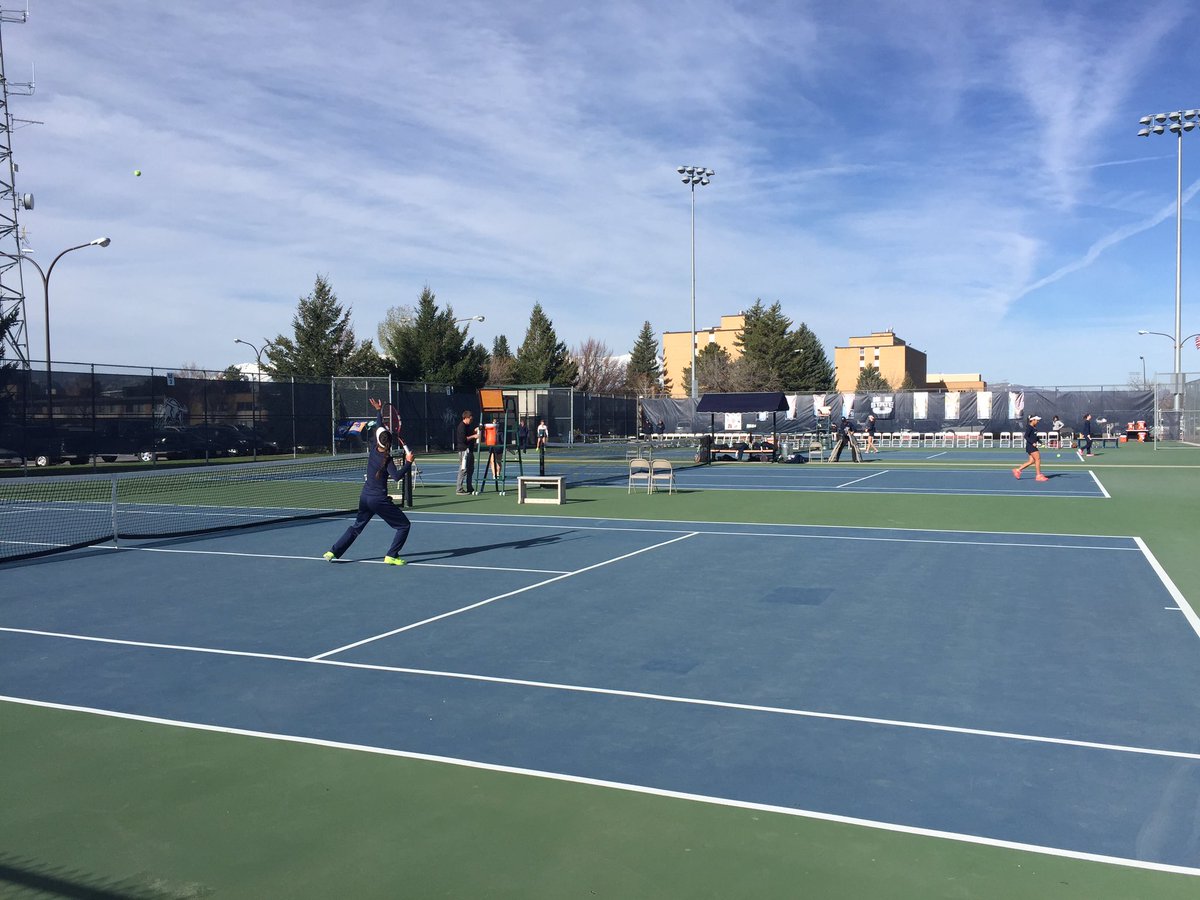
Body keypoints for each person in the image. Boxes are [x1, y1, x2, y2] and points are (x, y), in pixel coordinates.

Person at [324, 398, 414, 565]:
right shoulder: (387, 460)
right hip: (378, 499)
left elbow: (380, 427)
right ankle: (391, 555)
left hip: (365, 497)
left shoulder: (373, 448)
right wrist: (408, 462)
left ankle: (333, 551)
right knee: (404, 526)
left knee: (357, 527)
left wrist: (379, 411)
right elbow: (396, 477)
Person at [1013, 414, 1048, 481]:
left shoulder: (1034, 427)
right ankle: (1038, 476)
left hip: (1031, 446)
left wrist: (1040, 442)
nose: (1038, 421)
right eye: (1037, 420)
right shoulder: (1029, 427)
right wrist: (1033, 443)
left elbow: (1035, 437)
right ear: (1032, 420)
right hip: (1031, 446)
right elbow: (1026, 436)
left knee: (1031, 461)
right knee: (1038, 459)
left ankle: (1017, 470)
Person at [455, 410, 478, 494]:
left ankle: (469, 487)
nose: (471, 421)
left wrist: (475, 431)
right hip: (464, 451)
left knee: (471, 469)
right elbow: (463, 439)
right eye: (470, 419)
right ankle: (459, 489)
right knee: (463, 469)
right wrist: (474, 436)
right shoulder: (461, 426)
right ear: (466, 418)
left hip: (470, 450)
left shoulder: (468, 426)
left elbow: (470, 435)